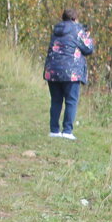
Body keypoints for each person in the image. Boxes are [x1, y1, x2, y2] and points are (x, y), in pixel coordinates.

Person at [42, 8, 94, 140]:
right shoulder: (78, 30)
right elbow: (88, 49)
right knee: (71, 101)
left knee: (56, 100)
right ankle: (67, 131)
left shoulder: (56, 30)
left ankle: (54, 130)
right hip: (71, 72)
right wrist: (87, 35)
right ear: (74, 18)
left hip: (52, 70)